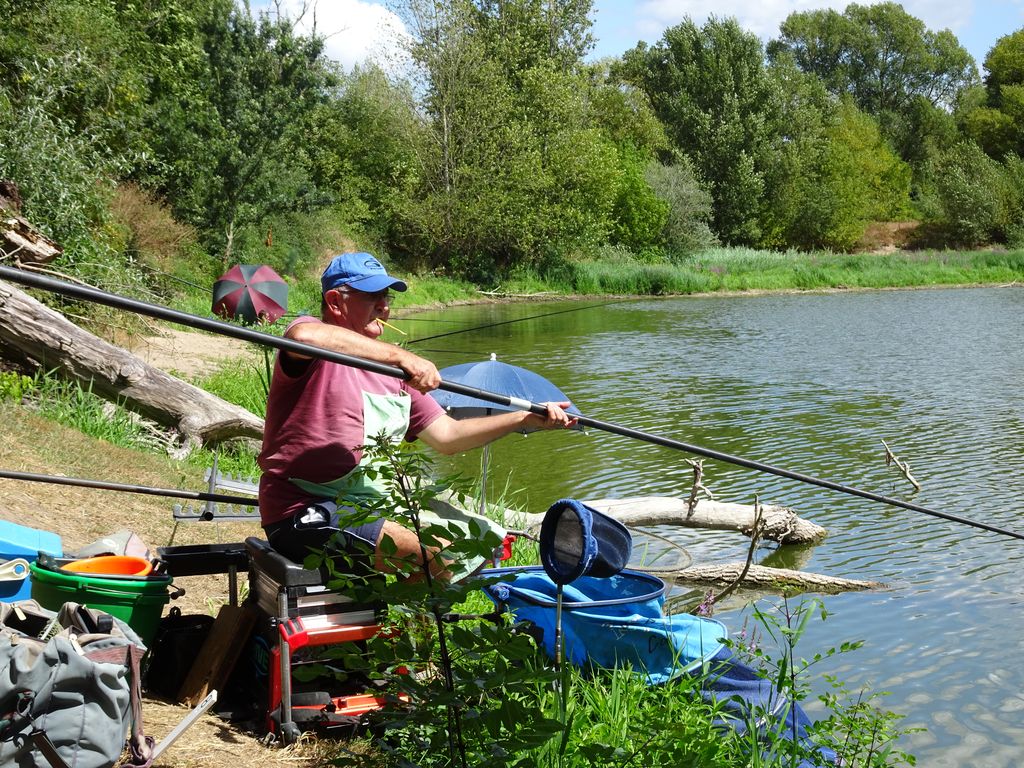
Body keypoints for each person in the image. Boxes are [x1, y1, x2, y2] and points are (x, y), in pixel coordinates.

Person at [257, 252, 576, 579]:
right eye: (372, 296)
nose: (384, 306)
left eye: (387, 297)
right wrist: (401, 355)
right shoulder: (312, 343)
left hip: (369, 509)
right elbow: (303, 337)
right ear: (336, 301)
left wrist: (522, 418)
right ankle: (420, 610)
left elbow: (448, 437)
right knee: (435, 555)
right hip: (302, 510)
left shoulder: (393, 375)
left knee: (477, 544)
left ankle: (406, 612)